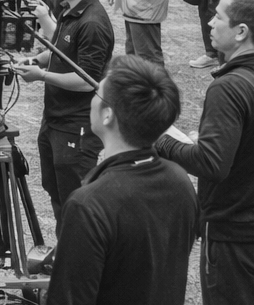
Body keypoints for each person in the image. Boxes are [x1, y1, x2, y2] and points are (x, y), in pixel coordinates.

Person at [47, 55, 198, 305]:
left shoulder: (89, 205)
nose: (92, 99)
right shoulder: (180, 182)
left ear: (108, 115)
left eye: (97, 92)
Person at [154, 0, 254, 305]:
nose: (209, 23)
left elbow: (212, 163)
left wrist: (162, 141)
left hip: (236, 237)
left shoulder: (230, 88)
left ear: (241, 32)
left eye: (218, 17)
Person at [14, 0, 114, 232]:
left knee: (76, 199)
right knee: (56, 191)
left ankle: (78, 251)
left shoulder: (93, 22)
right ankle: (64, 249)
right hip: (54, 120)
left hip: (76, 126)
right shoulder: (70, 9)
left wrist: (41, 76)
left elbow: (86, 81)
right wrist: (36, 59)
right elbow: (60, 49)